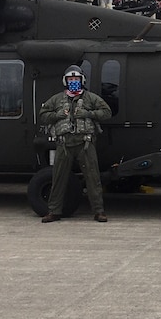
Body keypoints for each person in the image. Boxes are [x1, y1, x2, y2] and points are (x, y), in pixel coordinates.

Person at [38, 65, 112, 223]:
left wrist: (89, 113)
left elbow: (107, 112)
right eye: (71, 79)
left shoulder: (91, 98)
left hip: (85, 143)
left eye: (76, 79)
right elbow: (43, 115)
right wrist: (56, 115)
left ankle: (98, 211)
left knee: (93, 178)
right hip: (64, 144)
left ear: (82, 80)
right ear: (65, 81)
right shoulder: (56, 99)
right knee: (58, 178)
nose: (73, 82)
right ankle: (54, 211)